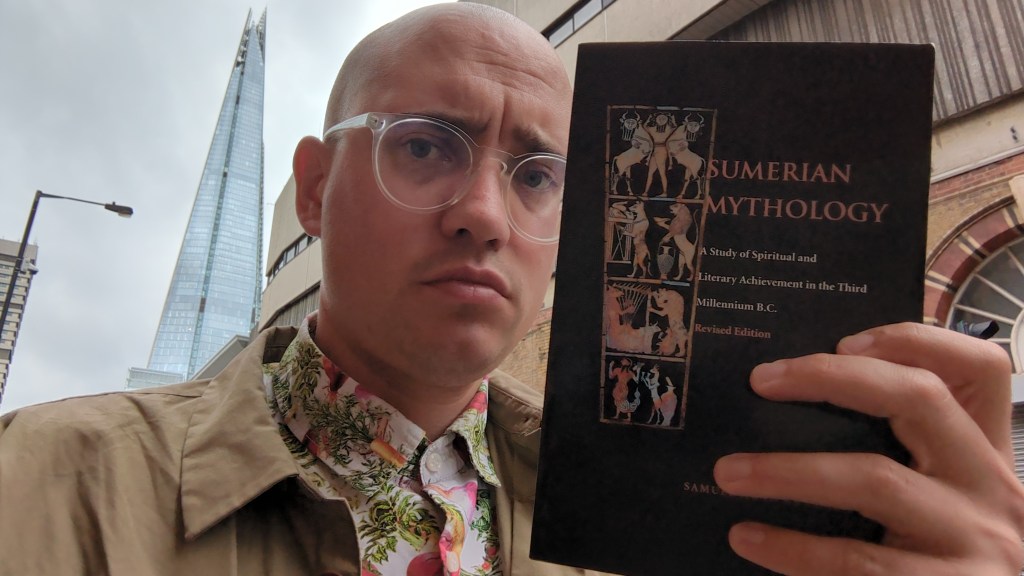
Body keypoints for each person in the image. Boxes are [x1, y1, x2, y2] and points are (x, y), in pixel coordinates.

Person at [1, 3, 1022, 575]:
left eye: (537, 175)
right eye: (424, 146)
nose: (484, 214)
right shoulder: (44, 486)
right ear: (313, 190)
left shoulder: (659, 520)